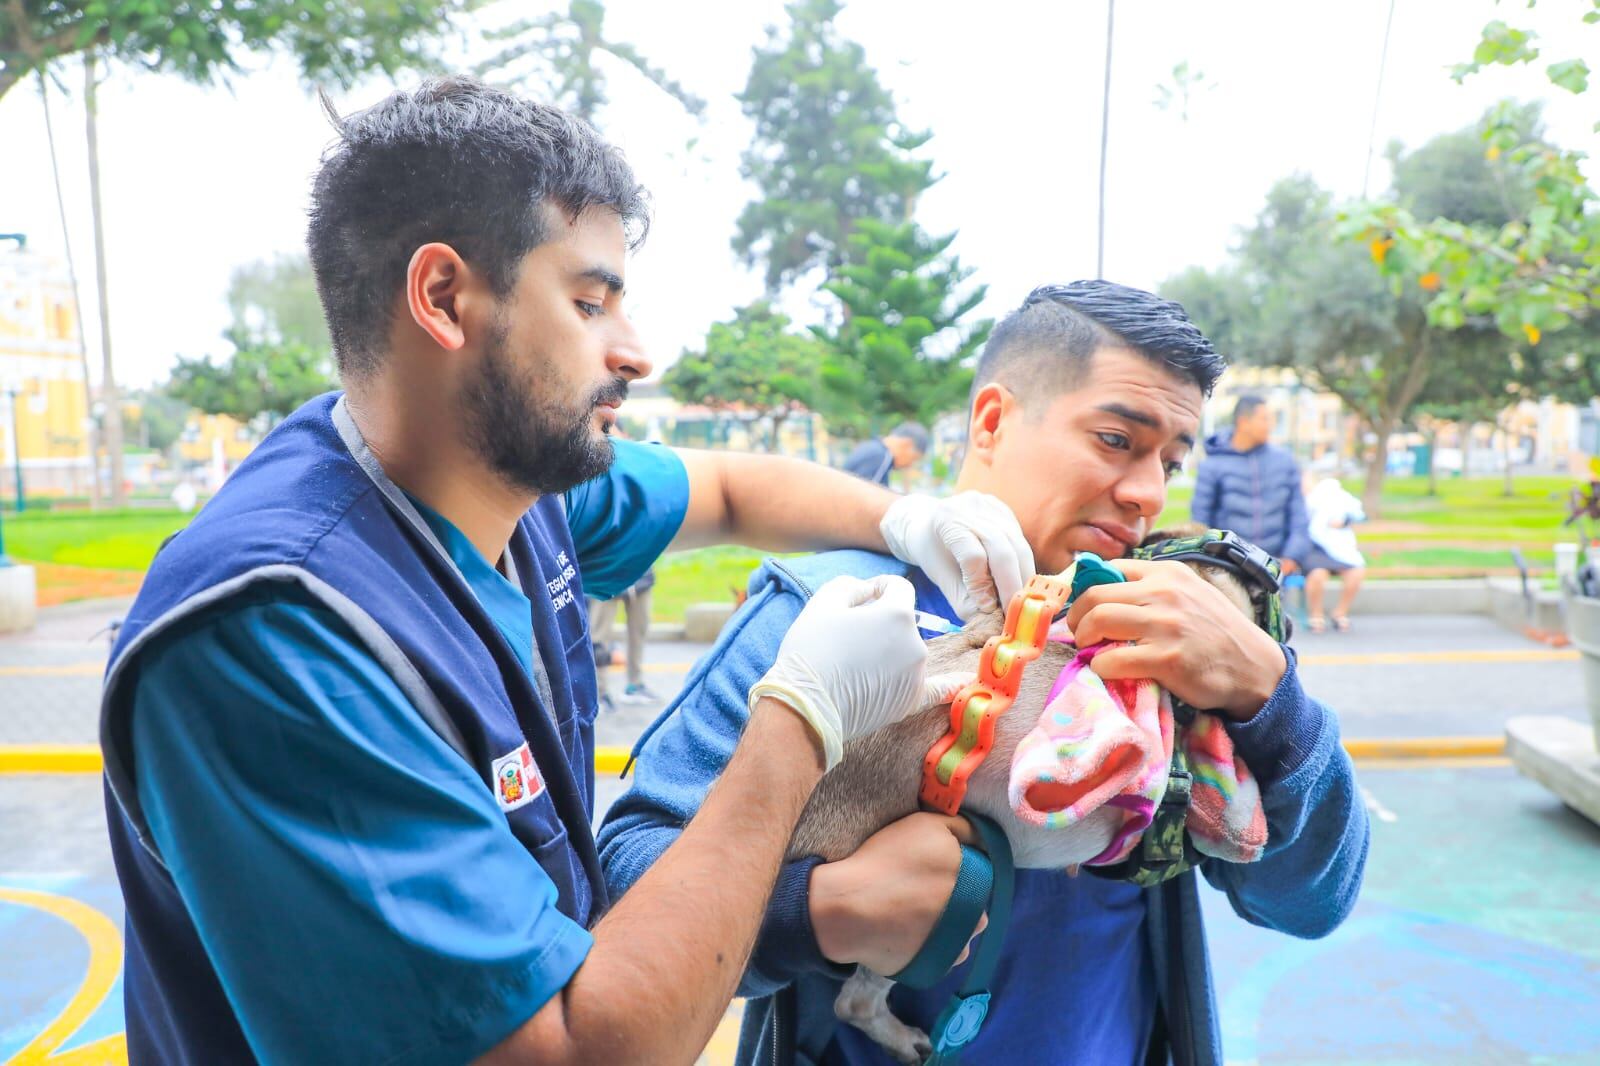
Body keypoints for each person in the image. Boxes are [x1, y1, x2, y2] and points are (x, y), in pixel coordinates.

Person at [97, 78, 1036, 1065]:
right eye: (589, 303)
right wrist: (800, 719)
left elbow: (722, 487)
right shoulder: (277, 637)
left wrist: (908, 516)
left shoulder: (507, 482)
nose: (636, 352)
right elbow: (569, 1052)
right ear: (444, 299)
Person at [600, 281, 1369, 1066]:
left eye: (1171, 460)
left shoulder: (1177, 622)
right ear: (993, 421)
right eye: (1115, 440)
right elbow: (624, 881)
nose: (1147, 492)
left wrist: (1268, 697)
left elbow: (1313, 903)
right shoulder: (829, 611)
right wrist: (819, 912)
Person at [1191, 395, 1311, 577]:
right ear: (1243, 422)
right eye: (1264, 419)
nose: (1270, 425)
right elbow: (1200, 519)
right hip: (1228, 568)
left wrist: (1291, 557)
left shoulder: (1284, 462)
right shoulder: (1213, 465)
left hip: (1276, 567)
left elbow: (1298, 516)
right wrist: (1214, 561)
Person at [1303, 475, 1367, 633]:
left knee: (1356, 572)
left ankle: (1340, 613)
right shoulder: (1304, 501)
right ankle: (1316, 615)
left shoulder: (1338, 498)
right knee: (1318, 574)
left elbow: (1358, 514)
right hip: (1314, 548)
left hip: (1339, 549)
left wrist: (1344, 521)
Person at [589, 567, 658, 707]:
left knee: (639, 632)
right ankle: (599, 692)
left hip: (641, 573)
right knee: (599, 638)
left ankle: (635, 685)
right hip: (606, 574)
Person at [841, 421, 931, 486]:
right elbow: (865, 500)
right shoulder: (881, 457)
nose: (910, 465)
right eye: (914, 458)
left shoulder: (874, 448)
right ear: (907, 444)